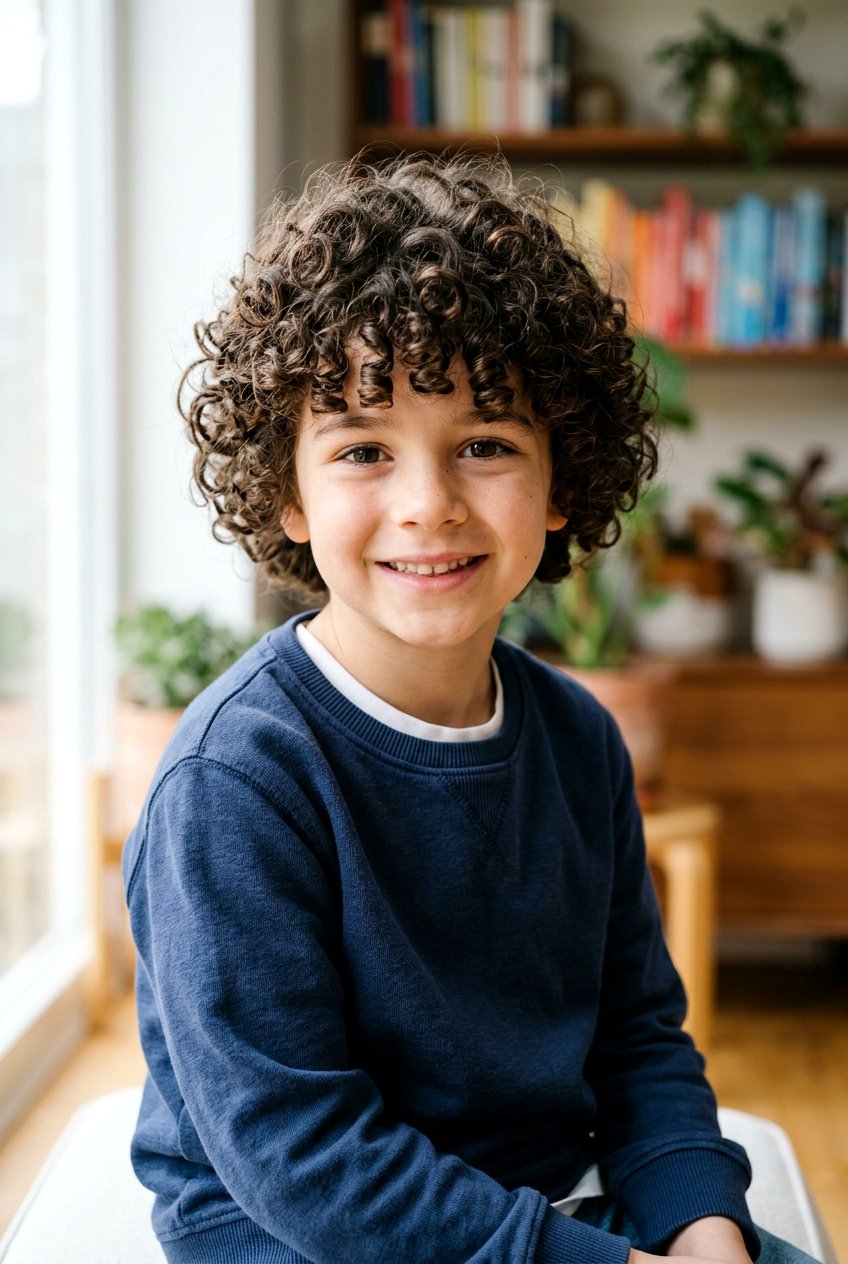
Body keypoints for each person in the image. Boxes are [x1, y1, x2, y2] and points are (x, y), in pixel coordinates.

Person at [123, 152, 820, 1264]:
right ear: (288, 495)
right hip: (293, 1230)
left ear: (558, 480)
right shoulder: (234, 781)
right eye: (362, 449)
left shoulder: (579, 741)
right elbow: (301, 1156)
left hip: (540, 1198)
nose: (427, 503)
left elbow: (637, 1038)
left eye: (485, 444)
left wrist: (698, 1223)